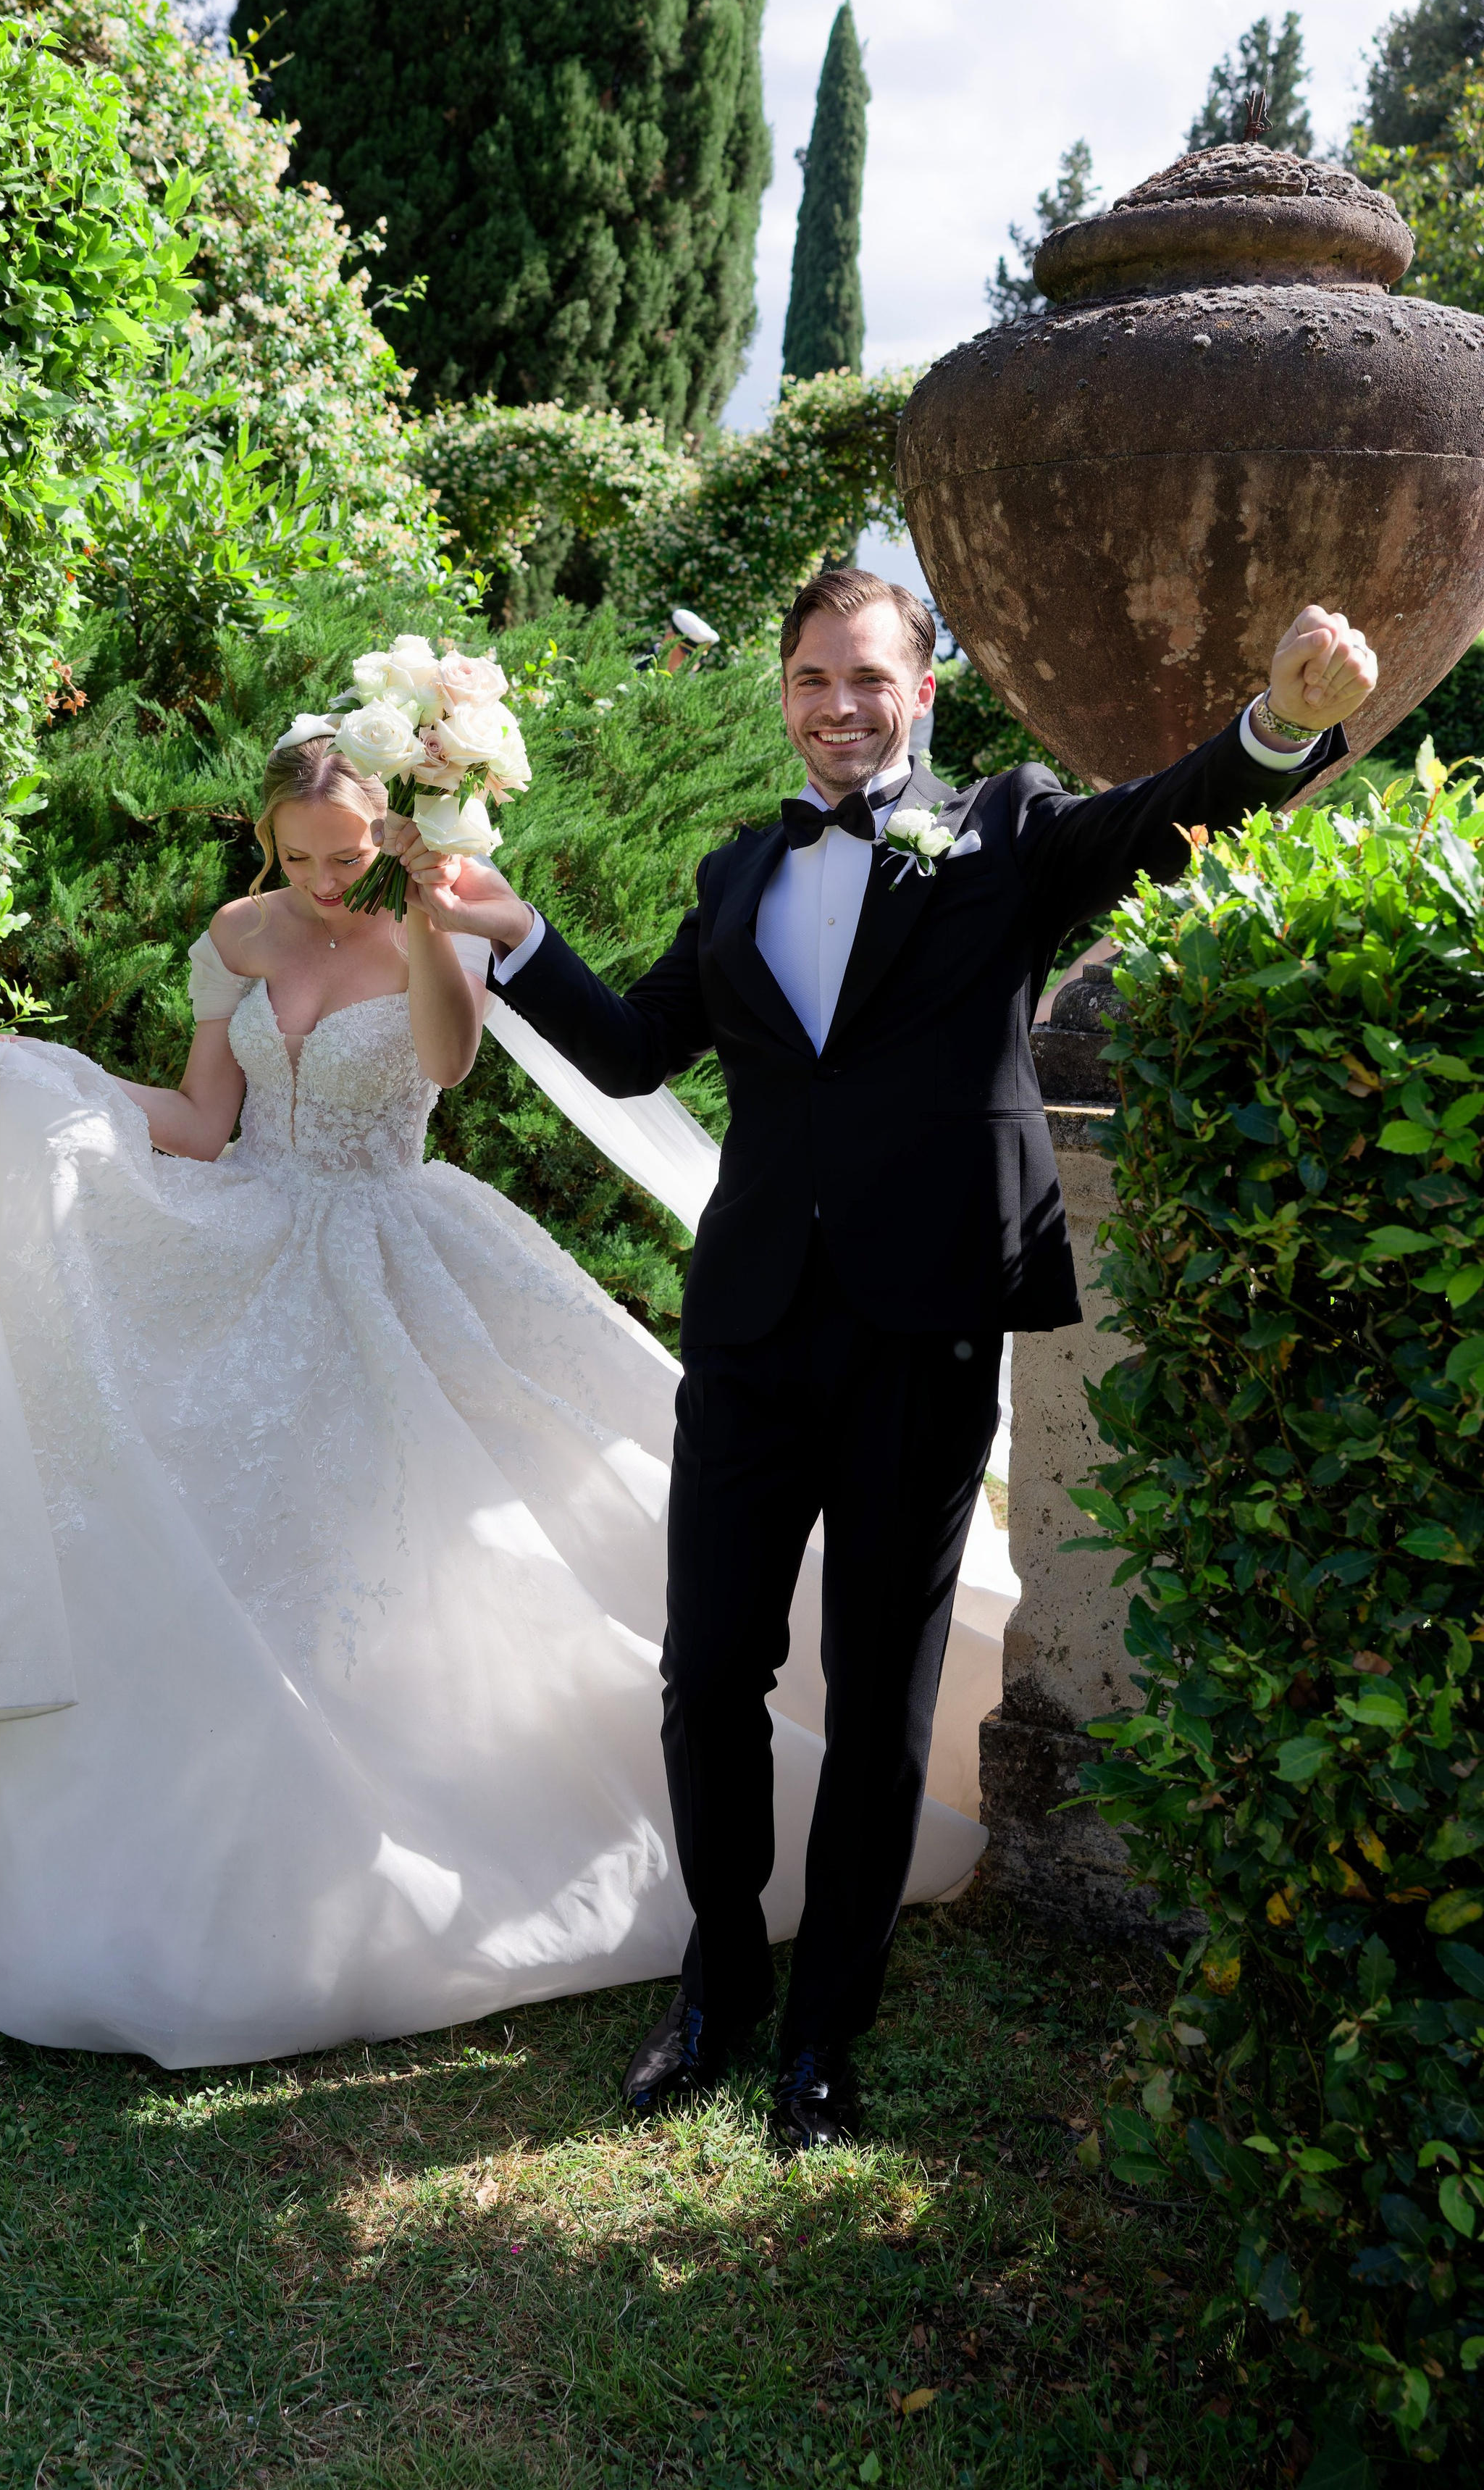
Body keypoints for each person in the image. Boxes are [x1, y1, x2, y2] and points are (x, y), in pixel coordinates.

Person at [0, 729, 992, 2067]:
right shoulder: (236, 937)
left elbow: (449, 1064)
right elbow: (202, 1122)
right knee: (211, 1547)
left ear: (388, 825)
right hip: (246, 1242)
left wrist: (420, 911)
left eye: (350, 852)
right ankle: (237, 1835)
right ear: (266, 846)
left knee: (446, 1543)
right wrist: (39, 1083)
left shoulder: (433, 912)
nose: (329, 879)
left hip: (401, 1246)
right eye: (303, 858)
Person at [390, 569, 1378, 2147]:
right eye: (808, 678)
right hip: (751, 1325)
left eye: (866, 678)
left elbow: (1168, 811)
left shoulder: (1009, 833)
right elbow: (638, 1050)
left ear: (924, 692)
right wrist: (513, 938)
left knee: (876, 1695)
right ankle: (715, 1987)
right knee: (706, 1670)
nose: (836, 704)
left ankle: (823, 2037)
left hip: (923, 1326)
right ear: (779, 694)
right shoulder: (732, 872)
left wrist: (1278, 727)